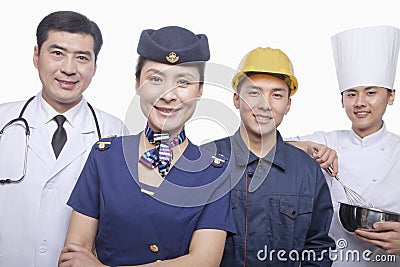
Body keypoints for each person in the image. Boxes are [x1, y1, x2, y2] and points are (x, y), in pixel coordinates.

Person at [58, 25, 236, 267]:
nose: (168, 95)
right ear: (137, 83)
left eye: (183, 82)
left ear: (200, 90)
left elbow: (204, 262)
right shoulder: (105, 157)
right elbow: (73, 258)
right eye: (155, 79)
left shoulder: (213, 172)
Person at [0, 11, 124, 267]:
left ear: (95, 66)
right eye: (57, 53)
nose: (69, 69)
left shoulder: (116, 132)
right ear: (36, 56)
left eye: (81, 58)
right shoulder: (3, 121)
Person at [202, 47, 335, 266]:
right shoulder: (205, 161)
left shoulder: (307, 171)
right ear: (236, 99)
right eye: (254, 93)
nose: (264, 105)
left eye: (277, 95)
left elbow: (318, 249)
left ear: (288, 105)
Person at [287, 25, 400, 266]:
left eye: (371, 93)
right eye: (351, 94)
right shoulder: (326, 140)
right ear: (341, 100)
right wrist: (307, 147)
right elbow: (267, 147)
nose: (360, 103)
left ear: (391, 96)